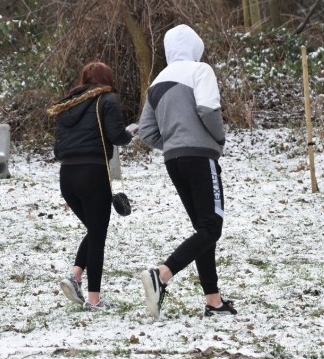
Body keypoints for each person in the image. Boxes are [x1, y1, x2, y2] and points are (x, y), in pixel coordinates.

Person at [136, 24, 236, 319]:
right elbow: (208, 110)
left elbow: (145, 131)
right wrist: (218, 140)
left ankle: (213, 301)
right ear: (196, 46)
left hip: (174, 160)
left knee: (203, 230)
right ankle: (162, 275)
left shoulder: (157, 81)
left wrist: (172, 144)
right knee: (211, 227)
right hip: (200, 156)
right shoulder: (200, 70)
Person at [48, 61, 133, 311]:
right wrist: (131, 133)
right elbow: (118, 136)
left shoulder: (66, 106)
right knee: (98, 234)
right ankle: (93, 300)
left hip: (67, 176)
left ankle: (75, 277)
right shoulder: (107, 99)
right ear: (106, 79)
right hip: (93, 173)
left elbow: (58, 148)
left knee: (95, 231)